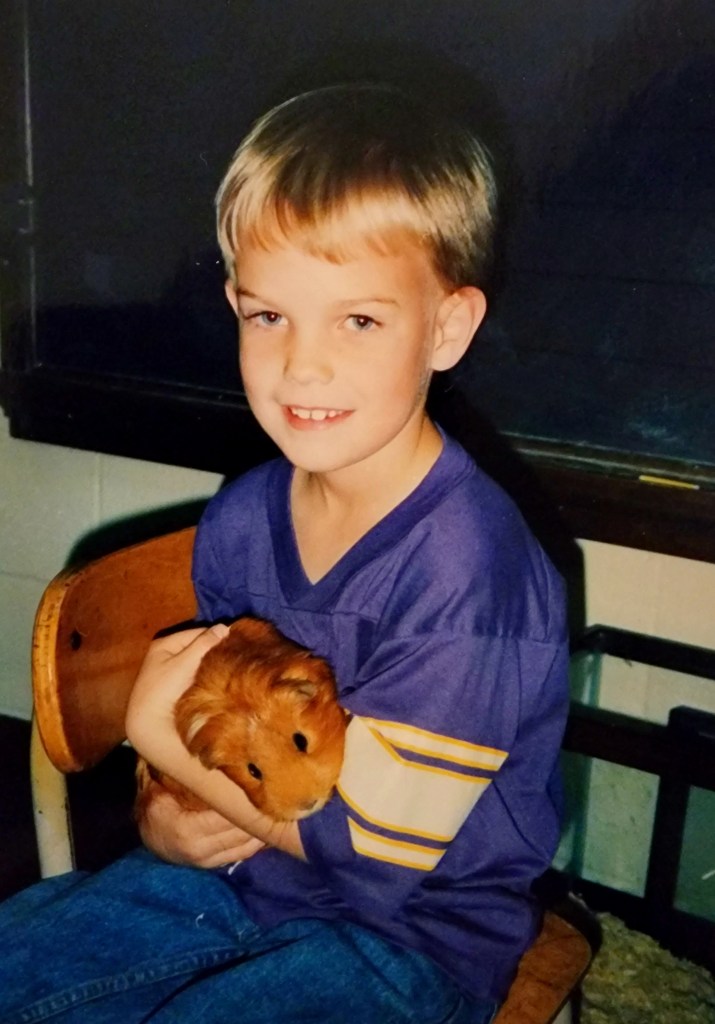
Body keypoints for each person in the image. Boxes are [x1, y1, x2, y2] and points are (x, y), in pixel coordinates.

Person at [1, 83, 569, 1023]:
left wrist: (156, 738)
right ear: (234, 305)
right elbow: (224, 725)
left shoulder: (467, 571)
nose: (302, 364)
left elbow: (375, 853)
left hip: (408, 939)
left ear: (445, 328)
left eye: (358, 320)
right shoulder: (242, 515)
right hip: (241, 874)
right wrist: (160, 812)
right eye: (269, 316)